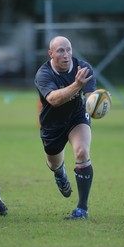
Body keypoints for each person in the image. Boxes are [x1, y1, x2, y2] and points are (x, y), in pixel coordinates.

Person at [34, 36, 96, 219]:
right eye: (60, 51)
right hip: (52, 125)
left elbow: (91, 96)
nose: (66, 55)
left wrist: (97, 104)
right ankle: (60, 173)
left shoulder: (82, 68)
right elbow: (53, 99)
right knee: (53, 163)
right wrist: (77, 85)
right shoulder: (43, 74)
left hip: (76, 117)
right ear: (50, 54)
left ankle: (82, 209)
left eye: (68, 49)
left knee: (82, 152)